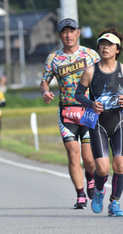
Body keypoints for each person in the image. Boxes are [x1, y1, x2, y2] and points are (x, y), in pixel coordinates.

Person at [40, 18, 99, 209]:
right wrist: (45, 92)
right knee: (73, 154)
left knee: (89, 159)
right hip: (66, 112)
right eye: (64, 32)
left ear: (78, 33)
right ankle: (80, 195)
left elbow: (104, 76)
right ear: (59, 35)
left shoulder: (91, 55)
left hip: (88, 111)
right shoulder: (54, 58)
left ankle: (91, 177)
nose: (68, 35)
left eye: (71, 31)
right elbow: (45, 81)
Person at [75, 27, 123, 216]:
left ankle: (114, 203)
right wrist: (91, 103)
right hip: (98, 124)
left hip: (119, 123)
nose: (105, 47)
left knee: (120, 165)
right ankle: (99, 192)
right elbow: (78, 94)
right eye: (102, 44)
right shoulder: (90, 70)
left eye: (109, 45)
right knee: (102, 169)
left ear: (117, 49)